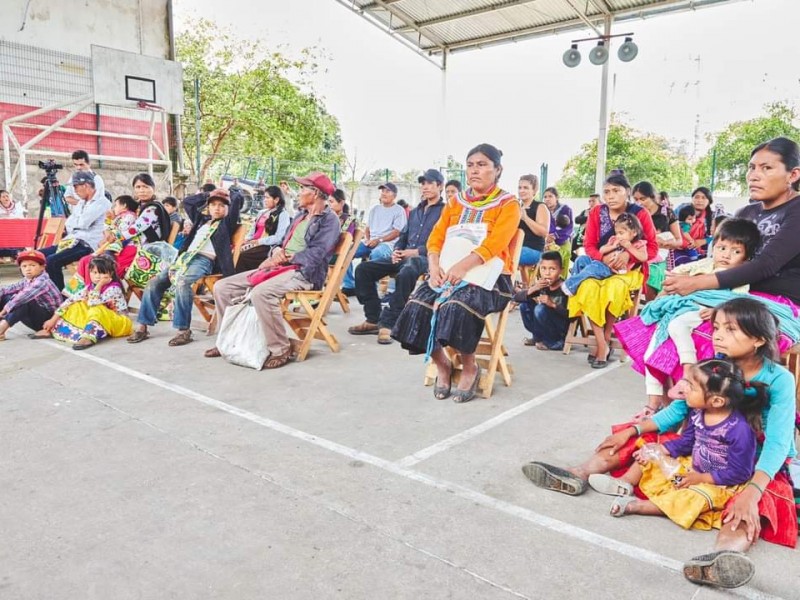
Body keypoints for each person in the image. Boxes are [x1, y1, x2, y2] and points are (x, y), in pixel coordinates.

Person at [523, 298, 797, 588]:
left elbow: (778, 444)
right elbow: (680, 410)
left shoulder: (779, 379)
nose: (717, 335)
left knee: (750, 506)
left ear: (757, 339)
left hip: (753, 460)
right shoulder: (713, 364)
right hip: (703, 445)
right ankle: (578, 475)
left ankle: (724, 557)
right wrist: (632, 431)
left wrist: (752, 491)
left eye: (730, 330)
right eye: (716, 327)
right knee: (641, 439)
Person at [391, 143, 520, 404]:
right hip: (447, 272)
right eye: (471, 165)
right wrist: (434, 265)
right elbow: (436, 237)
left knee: (456, 305)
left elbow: (495, 243)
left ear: (498, 170)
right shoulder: (455, 202)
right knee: (416, 305)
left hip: (491, 278)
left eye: (482, 165)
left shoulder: (508, 204)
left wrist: (464, 266)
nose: (474, 170)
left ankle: (470, 367)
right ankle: (443, 365)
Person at [598, 359, 766, 536]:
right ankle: (625, 483)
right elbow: (687, 442)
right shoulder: (699, 412)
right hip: (693, 467)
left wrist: (701, 478)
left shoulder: (739, 430)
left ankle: (638, 506)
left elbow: (740, 472)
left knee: (695, 498)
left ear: (716, 401)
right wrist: (660, 450)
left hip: (718, 483)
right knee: (651, 450)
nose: (684, 389)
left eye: (691, 386)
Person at [623, 218, 761, 421]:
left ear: (746, 257)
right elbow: (679, 271)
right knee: (650, 352)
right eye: (722, 247)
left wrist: (718, 309)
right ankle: (652, 403)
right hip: (684, 305)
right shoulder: (705, 263)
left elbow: (738, 299)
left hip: (702, 310)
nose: (726, 255)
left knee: (677, 325)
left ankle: (688, 371)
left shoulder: (738, 275)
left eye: (736, 251)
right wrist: (674, 278)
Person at [206, 172, 340, 369]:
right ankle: (229, 339)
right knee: (222, 287)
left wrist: (288, 257)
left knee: (261, 293)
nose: (298, 193)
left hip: (304, 272)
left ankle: (280, 348)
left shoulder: (330, 220)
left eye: (303, 188)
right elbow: (281, 241)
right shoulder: (300, 216)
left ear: (316, 193)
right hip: (281, 266)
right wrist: (276, 252)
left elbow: (317, 254)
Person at [664, 137, 800, 308]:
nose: (753, 176)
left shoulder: (796, 209)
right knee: (665, 311)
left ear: (793, 175)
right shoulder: (745, 213)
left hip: (781, 302)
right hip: (732, 293)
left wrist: (697, 282)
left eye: (766, 168)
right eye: (751, 168)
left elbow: (766, 264)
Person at [567, 171, 658, 368]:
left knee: (612, 289)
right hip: (599, 266)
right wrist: (604, 257)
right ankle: (602, 343)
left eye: (616, 191)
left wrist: (628, 254)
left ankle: (605, 339)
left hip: (629, 270)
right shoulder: (596, 213)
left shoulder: (640, 213)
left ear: (627, 192)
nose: (610, 196)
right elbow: (589, 245)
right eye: (606, 191)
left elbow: (652, 248)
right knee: (587, 288)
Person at [127, 188, 241, 346]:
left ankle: (183, 331)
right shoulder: (202, 220)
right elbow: (188, 202)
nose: (217, 208)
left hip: (204, 260)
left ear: (227, 209)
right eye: (214, 205)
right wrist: (209, 194)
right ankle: (143, 326)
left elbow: (238, 200)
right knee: (154, 283)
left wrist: (228, 191)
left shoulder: (227, 223)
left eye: (222, 205)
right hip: (184, 258)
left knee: (182, 282)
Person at [348, 168, 445, 345]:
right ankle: (373, 318)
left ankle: (389, 322)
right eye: (423, 183)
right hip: (403, 257)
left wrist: (415, 252)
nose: (425, 187)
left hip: (426, 259)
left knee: (408, 269)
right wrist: (397, 250)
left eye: (430, 183)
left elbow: (443, 241)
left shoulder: (446, 212)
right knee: (363, 269)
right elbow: (404, 236)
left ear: (440, 186)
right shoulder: (415, 212)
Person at [35, 255, 132, 350]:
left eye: (102, 273)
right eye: (94, 272)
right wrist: (53, 320)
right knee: (75, 305)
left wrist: (100, 284)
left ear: (110, 274)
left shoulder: (114, 288)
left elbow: (93, 302)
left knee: (96, 309)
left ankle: (88, 337)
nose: (97, 276)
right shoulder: (89, 287)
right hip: (102, 318)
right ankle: (53, 330)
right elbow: (70, 300)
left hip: (119, 322)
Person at [39, 171, 111, 290]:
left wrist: (77, 222)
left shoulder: (102, 202)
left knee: (52, 261)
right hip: (72, 240)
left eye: (76, 187)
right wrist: (77, 223)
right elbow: (69, 223)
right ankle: (41, 291)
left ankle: (58, 298)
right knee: (36, 256)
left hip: (87, 244)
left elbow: (83, 223)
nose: (74, 190)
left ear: (86, 186)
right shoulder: (81, 203)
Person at [340, 182, 407, 294]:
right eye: (382, 191)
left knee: (377, 253)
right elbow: (368, 228)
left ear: (394, 195)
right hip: (371, 242)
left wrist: (379, 240)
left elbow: (397, 232)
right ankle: (350, 285)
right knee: (346, 251)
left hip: (387, 244)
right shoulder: (375, 209)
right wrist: (368, 239)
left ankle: (371, 289)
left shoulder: (399, 210)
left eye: (387, 191)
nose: (384, 193)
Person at [561, 213, 648, 296]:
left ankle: (570, 285)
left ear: (634, 233)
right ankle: (577, 285)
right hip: (601, 264)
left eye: (621, 233)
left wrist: (629, 248)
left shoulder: (638, 244)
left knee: (593, 267)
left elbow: (644, 257)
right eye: (616, 233)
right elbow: (602, 250)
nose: (618, 236)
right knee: (581, 259)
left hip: (612, 271)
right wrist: (613, 246)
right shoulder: (614, 239)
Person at [71, 194, 140, 288]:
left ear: (124, 206)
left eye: (116, 205)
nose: (114, 208)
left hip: (124, 250)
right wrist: (108, 221)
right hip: (114, 248)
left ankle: (92, 291)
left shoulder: (129, 216)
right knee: (85, 261)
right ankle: (84, 292)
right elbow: (108, 230)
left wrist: (109, 225)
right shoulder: (120, 217)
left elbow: (119, 230)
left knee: (89, 263)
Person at [114, 173, 172, 277]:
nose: (142, 190)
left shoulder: (152, 209)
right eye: (138, 187)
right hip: (135, 246)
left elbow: (135, 229)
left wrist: (116, 237)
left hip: (147, 249)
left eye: (145, 186)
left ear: (153, 188)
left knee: (110, 265)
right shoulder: (139, 206)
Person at [632, 181, 682, 297]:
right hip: (638, 253)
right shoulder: (634, 213)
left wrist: (665, 243)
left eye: (643, 199)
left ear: (653, 197)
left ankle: (652, 307)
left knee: (651, 274)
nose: (639, 203)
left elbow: (679, 241)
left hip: (659, 258)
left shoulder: (666, 213)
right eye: (636, 199)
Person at [0, 250, 61, 340]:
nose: (28, 269)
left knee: (23, 301)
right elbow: (8, 289)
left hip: (48, 322)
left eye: (32, 265)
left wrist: (4, 310)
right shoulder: (27, 279)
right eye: (24, 266)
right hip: (36, 316)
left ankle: (1, 329)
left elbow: (22, 297)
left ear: (42, 267)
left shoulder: (42, 281)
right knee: (5, 295)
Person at [516, 251, 568, 350]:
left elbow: (572, 316)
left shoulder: (565, 288)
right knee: (525, 305)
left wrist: (552, 304)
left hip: (559, 330)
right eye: (543, 268)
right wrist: (534, 288)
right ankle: (538, 338)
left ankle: (553, 342)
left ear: (561, 270)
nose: (547, 273)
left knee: (540, 309)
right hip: (545, 326)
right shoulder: (543, 286)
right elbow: (517, 298)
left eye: (552, 269)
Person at [235, 185, 290, 273]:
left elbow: (279, 238)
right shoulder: (262, 212)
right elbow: (253, 230)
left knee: (243, 255)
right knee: (234, 250)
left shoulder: (283, 214)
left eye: (267, 198)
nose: (265, 200)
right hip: (254, 243)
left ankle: (239, 281)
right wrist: (247, 239)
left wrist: (259, 241)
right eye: (264, 197)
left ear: (276, 200)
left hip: (267, 247)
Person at [517, 174, 550, 277]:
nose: (521, 190)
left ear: (534, 191)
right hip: (518, 247)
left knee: (506, 256)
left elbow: (543, 232)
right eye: (520, 187)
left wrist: (525, 218)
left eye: (526, 188)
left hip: (533, 250)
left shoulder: (540, 206)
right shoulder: (517, 207)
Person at [542, 186, 573, 277]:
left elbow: (569, 228)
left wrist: (555, 236)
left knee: (560, 263)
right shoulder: (542, 210)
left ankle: (561, 287)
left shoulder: (565, 209)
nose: (547, 199)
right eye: (545, 197)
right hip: (546, 242)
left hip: (562, 242)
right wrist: (546, 237)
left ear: (557, 198)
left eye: (550, 196)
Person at [572, 193, 600, 258]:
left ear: (599, 201)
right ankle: (580, 263)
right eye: (589, 201)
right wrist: (588, 217)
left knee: (589, 255)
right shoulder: (586, 211)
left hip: (591, 238)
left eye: (593, 201)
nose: (591, 203)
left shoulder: (601, 212)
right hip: (579, 236)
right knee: (570, 252)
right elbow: (577, 220)